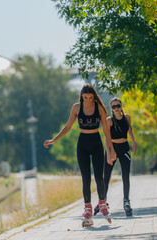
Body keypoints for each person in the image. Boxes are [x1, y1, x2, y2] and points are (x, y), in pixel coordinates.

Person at [44, 83, 117, 227]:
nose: (88, 100)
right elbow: (67, 127)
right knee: (85, 178)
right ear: (81, 97)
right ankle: (87, 210)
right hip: (82, 144)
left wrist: (111, 150)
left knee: (99, 177)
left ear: (94, 96)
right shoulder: (76, 107)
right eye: (85, 97)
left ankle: (103, 205)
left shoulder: (100, 108)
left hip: (96, 144)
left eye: (90, 97)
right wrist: (53, 140)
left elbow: (106, 131)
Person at [93, 97, 137, 216]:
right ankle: (102, 202)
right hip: (113, 148)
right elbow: (107, 138)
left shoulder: (127, 117)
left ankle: (126, 201)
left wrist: (134, 142)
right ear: (111, 108)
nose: (116, 108)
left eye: (118, 106)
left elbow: (130, 130)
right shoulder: (109, 120)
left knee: (125, 175)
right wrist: (109, 152)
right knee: (106, 177)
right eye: (114, 107)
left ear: (121, 106)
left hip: (124, 148)